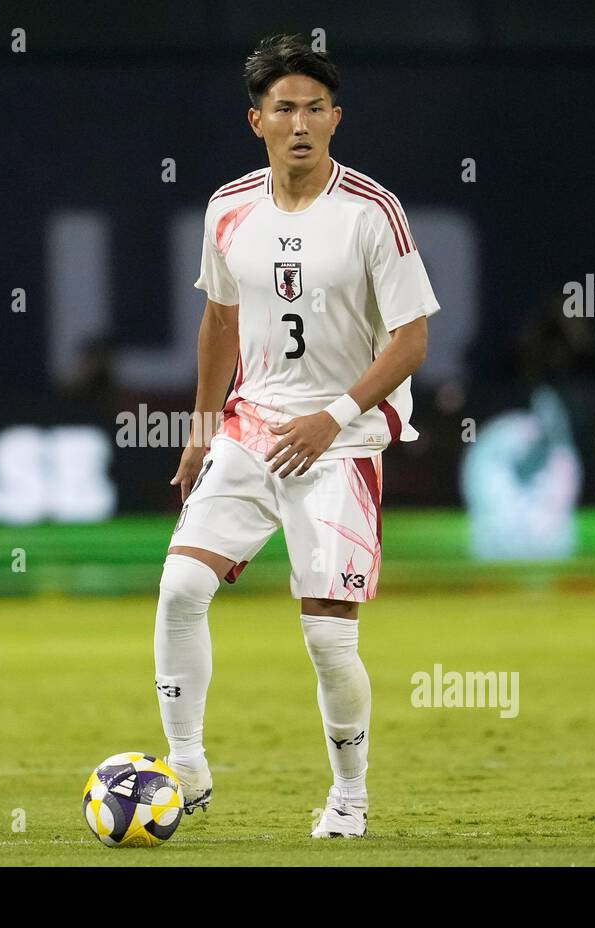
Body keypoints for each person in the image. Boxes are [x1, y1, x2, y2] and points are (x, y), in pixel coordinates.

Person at [154, 34, 440, 838]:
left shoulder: (372, 213)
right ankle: (187, 767)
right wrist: (204, 427)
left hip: (341, 440)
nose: (302, 122)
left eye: (316, 107)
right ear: (257, 121)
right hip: (253, 426)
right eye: (285, 107)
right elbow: (217, 319)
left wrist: (334, 418)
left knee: (326, 638)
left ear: (337, 118)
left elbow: (412, 341)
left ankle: (348, 796)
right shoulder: (227, 207)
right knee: (180, 589)